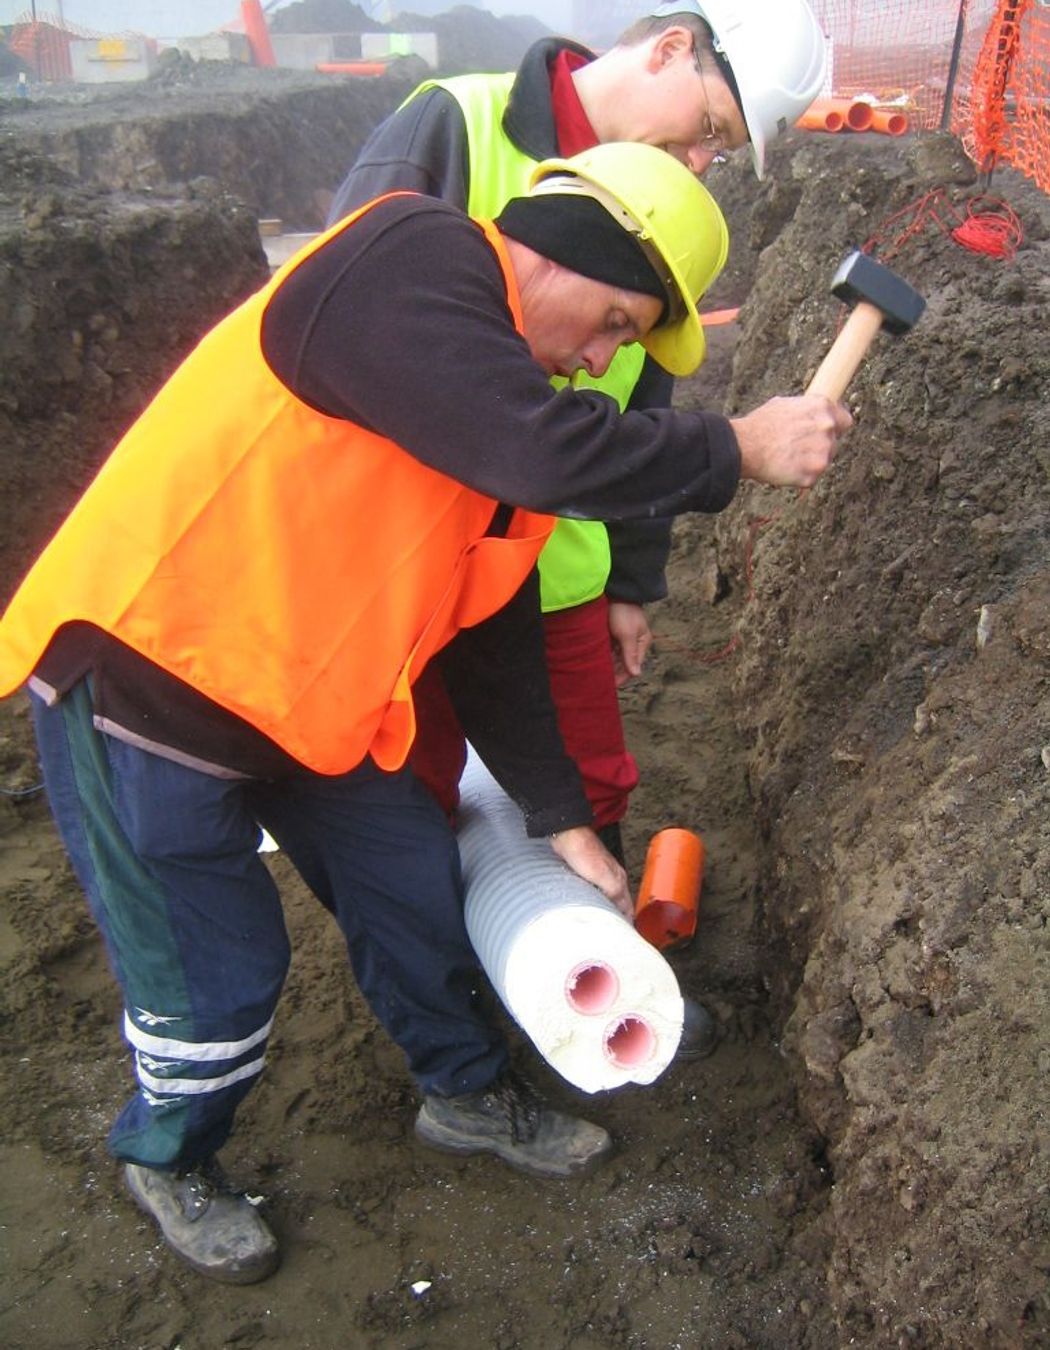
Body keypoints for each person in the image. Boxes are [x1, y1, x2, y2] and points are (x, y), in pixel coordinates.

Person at [0, 142, 849, 1284]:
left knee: (414, 882)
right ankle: (169, 1152)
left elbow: (493, 639)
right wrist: (734, 446)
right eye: (613, 320)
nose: (603, 357)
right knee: (217, 973)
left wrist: (562, 819)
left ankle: (465, 1096)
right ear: (562, 255)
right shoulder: (414, 258)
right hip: (153, 684)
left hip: (310, 709)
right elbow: (536, 451)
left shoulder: (494, 414)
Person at [327, 0, 829, 1057]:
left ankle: (600, 987)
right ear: (671, 49)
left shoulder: (667, 225)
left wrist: (631, 580)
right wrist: (739, 446)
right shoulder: (455, 130)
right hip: (408, 569)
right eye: (710, 130)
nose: (700, 158)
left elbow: (637, 407)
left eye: (719, 153)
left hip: (548, 567)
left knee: (587, 787)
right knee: (410, 798)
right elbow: (372, 327)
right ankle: (465, 1003)